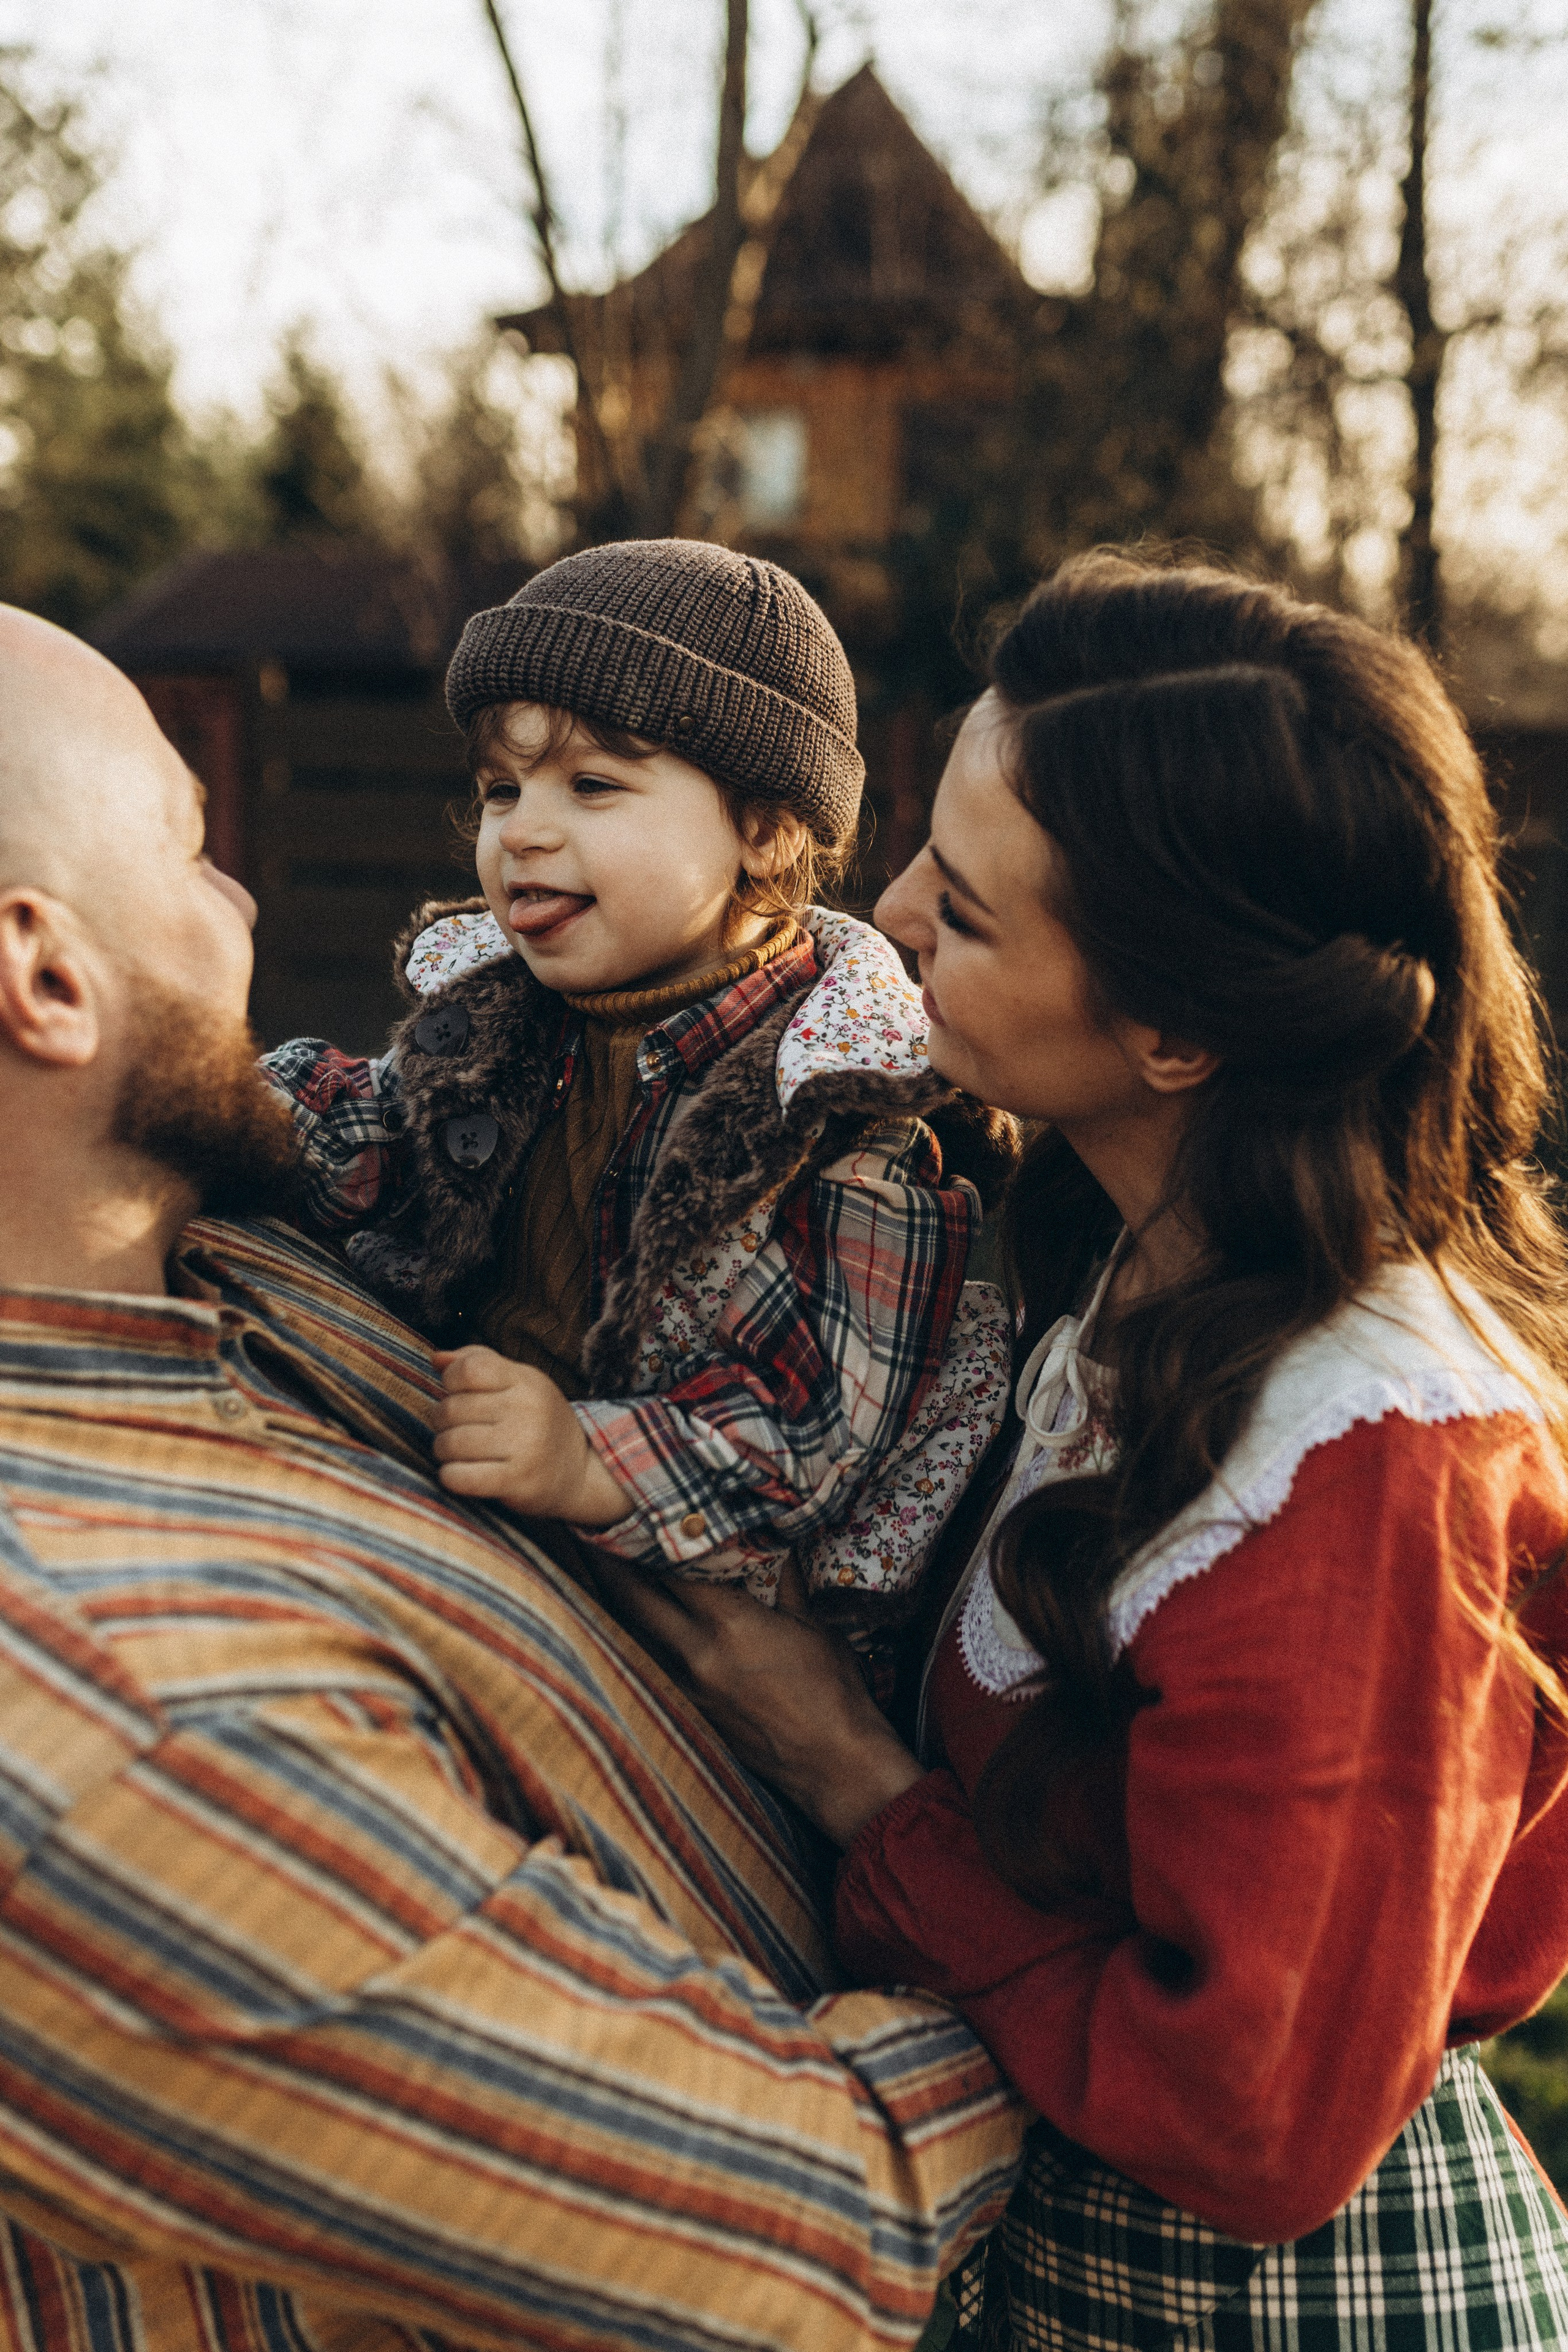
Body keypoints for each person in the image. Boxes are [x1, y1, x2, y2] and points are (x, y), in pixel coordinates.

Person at [0, 601, 1025, 2352]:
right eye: (188, 847)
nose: (247, 902)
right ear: (42, 976)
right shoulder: (110, 1747)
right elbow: (826, 2237)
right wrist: (1050, 1973)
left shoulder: (235, 1271)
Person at [605, 552, 1568, 2350]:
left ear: (1179, 1032)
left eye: (963, 913)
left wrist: (849, 1777)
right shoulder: (1111, 1259)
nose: (883, 913)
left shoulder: (1368, 1462)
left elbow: (1259, 2121)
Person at [265, 539, 1014, 1678]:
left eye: (594, 787)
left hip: (712, 1612)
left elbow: (808, 1429)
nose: (522, 829)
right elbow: (368, 1133)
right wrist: (223, 1101)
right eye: (502, 790)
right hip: (486, 1509)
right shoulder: (500, 1017)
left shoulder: (838, 1109)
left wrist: (585, 1457)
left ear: (765, 829)